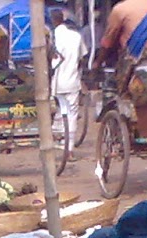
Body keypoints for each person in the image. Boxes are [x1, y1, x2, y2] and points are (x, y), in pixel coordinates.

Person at [49, 9, 87, 155]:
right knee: (72, 114)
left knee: (58, 111)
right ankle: (69, 148)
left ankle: (57, 139)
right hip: (72, 81)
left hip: (56, 82)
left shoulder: (51, 37)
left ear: (53, 21)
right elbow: (82, 58)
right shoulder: (76, 36)